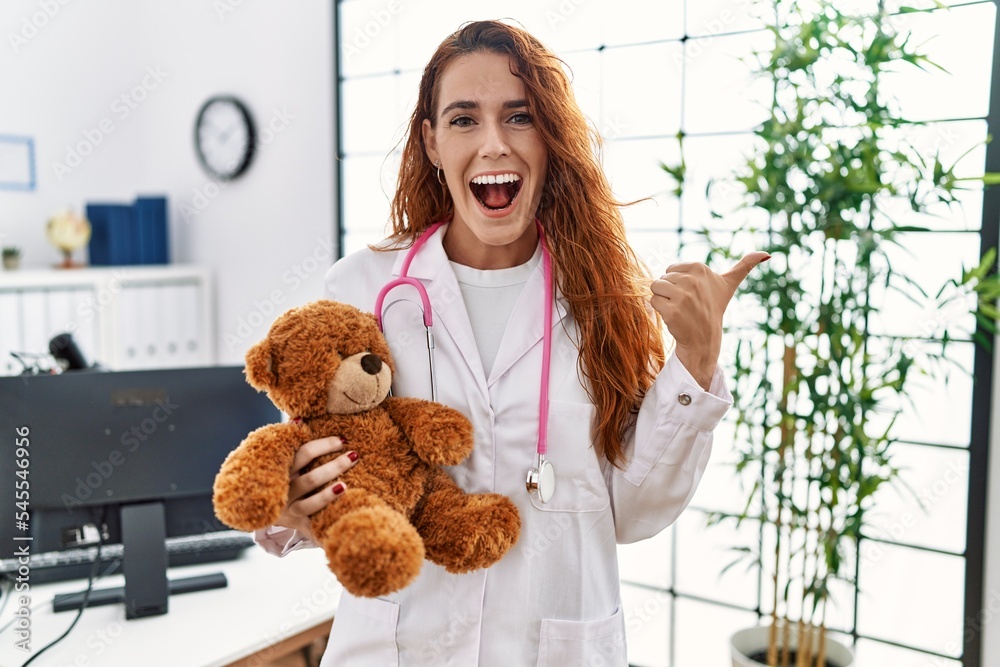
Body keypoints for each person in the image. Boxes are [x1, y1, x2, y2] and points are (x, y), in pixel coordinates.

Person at [256, 19, 767, 666]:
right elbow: (299, 483)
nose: (493, 143)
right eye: (464, 119)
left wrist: (695, 360)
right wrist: (295, 505)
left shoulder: (605, 301)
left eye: (519, 116)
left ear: (549, 139)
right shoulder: (362, 287)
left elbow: (633, 513)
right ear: (432, 142)